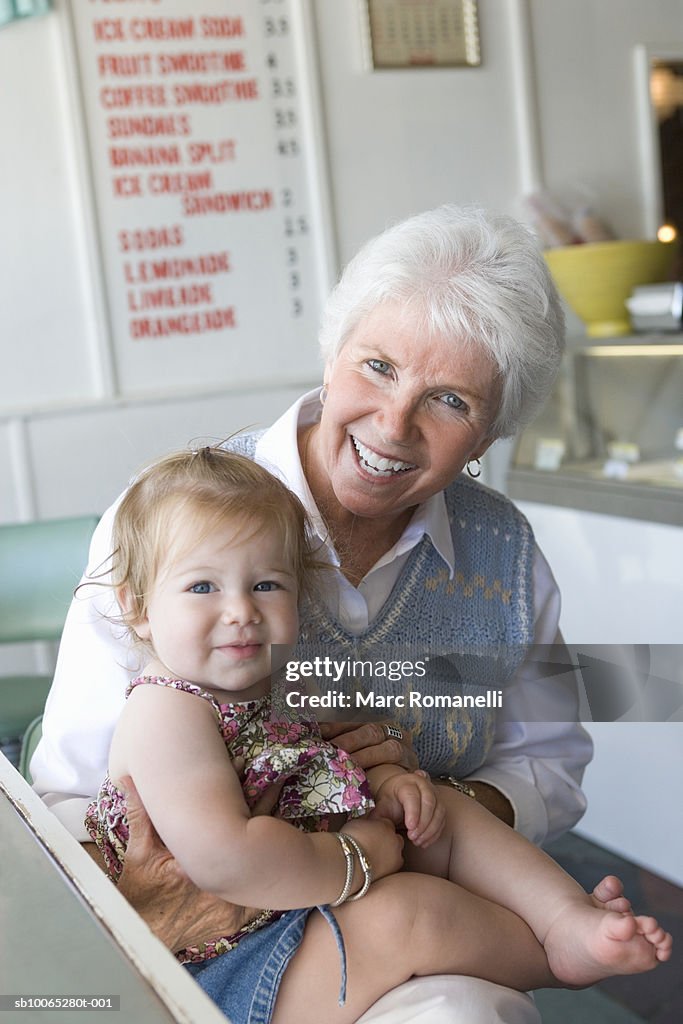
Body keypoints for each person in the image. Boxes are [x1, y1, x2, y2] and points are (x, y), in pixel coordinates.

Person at [33, 205, 618, 1023]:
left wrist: (412, 805)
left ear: (492, 430)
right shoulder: (176, 523)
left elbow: (549, 763)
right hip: (203, 928)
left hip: (418, 910)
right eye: (377, 367)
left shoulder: (506, 552)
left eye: (449, 399)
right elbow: (65, 783)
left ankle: (570, 941)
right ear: (332, 353)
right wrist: (176, 882)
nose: (393, 423)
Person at [86, 445, 670, 1024]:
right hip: (222, 968)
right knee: (407, 915)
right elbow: (222, 858)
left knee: (439, 806)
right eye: (201, 588)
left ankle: (564, 918)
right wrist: (355, 859)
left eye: (267, 585)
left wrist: (390, 781)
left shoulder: (279, 682)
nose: (241, 610)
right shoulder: (167, 713)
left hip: (295, 902)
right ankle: (554, 962)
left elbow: (338, 755)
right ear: (137, 607)